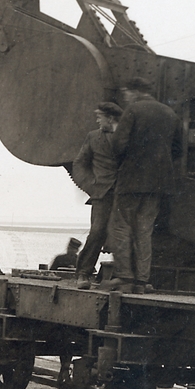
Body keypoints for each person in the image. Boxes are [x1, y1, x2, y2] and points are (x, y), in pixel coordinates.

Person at [108, 77, 182, 293]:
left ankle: (124, 278)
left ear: (135, 91)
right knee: (144, 231)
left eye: (126, 92)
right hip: (158, 183)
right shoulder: (170, 113)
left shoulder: (133, 110)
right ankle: (141, 281)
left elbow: (118, 145)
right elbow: (178, 150)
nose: (125, 97)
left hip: (131, 179)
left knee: (121, 227)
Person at [71, 101, 124, 289]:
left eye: (100, 117)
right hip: (101, 194)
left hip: (123, 194)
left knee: (123, 234)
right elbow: (79, 164)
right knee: (97, 232)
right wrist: (90, 186)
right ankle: (83, 274)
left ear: (110, 118)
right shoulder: (93, 137)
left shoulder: (126, 137)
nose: (97, 120)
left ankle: (122, 277)